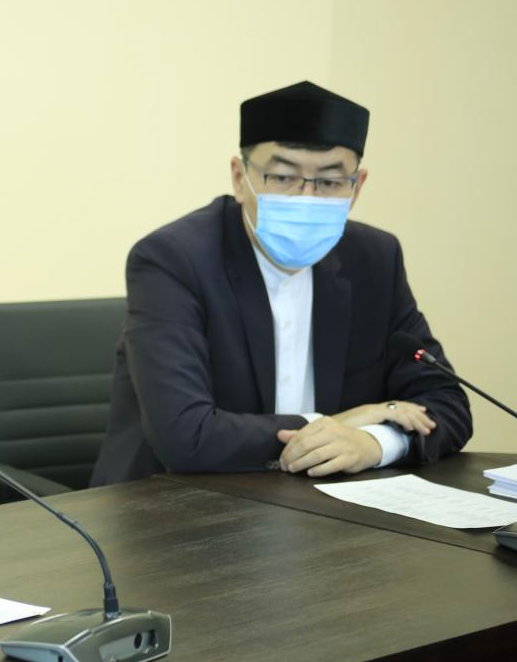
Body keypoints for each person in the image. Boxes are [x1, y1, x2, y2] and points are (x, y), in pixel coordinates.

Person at [91, 81, 471, 484]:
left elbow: (447, 403)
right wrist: (333, 424)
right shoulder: (174, 260)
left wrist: (375, 442)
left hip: (317, 506)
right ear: (239, 178)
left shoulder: (375, 260)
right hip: (170, 503)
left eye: (329, 182)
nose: (306, 197)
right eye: (284, 177)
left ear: (357, 187)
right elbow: (185, 436)